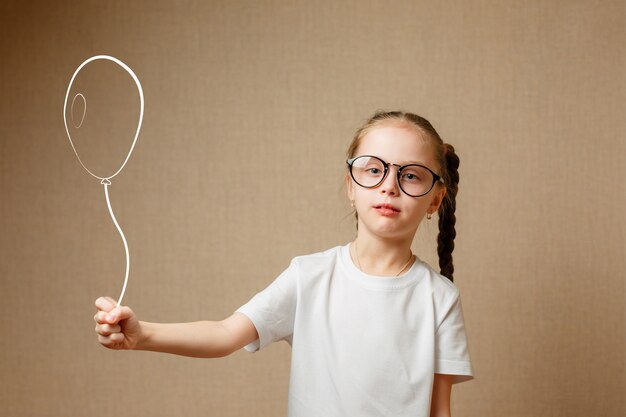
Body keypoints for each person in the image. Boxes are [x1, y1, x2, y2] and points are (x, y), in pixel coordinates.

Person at [94, 110, 474, 417]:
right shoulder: (309, 277)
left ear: (436, 200)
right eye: (374, 169)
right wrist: (142, 335)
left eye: (410, 175)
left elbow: (439, 410)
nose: (390, 185)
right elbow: (225, 333)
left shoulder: (438, 298)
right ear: (350, 185)